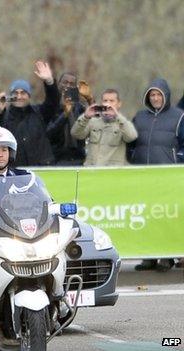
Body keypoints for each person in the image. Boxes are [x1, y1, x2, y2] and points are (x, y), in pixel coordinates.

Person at [128, 78, 184, 272]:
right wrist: (133, 156)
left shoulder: (179, 116)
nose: (155, 98)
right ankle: (149, 258)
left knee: (165, 217)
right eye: (152, 94)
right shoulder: (139, 116)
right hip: (143, 176)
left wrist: (177, 161)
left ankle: (166, 257)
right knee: (146, 216)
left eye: (158, 94)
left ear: (165, 96)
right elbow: (131, 142)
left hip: (167, 177)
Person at [0, 61, 59, 166]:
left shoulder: (39, 113)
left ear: (29, 96)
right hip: (16, 173)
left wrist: (49, 82)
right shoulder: (4, 117)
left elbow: (53, 101)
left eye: (23, 93)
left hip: (42, 169)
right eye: (16, 93)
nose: (19, 97)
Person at [70, 89, 138, 166]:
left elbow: (131, 137)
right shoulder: (93, 121)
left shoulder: (123, 123)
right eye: (105, 100)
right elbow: (76, 134)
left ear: (119, 104)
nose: (108, 103)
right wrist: (85, 117)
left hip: (112, 173)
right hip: (92, 170)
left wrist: (117, 116)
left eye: (112, 101)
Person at [46, 72, 86, 165]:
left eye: (72, 84)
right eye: (65, 82)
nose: (67, 86)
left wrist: (89, 99)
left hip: (78, 158)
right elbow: (49, 133)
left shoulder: (80, 108)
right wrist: (65, 114)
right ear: (58, 84)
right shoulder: (50, 106)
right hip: (56, 158)